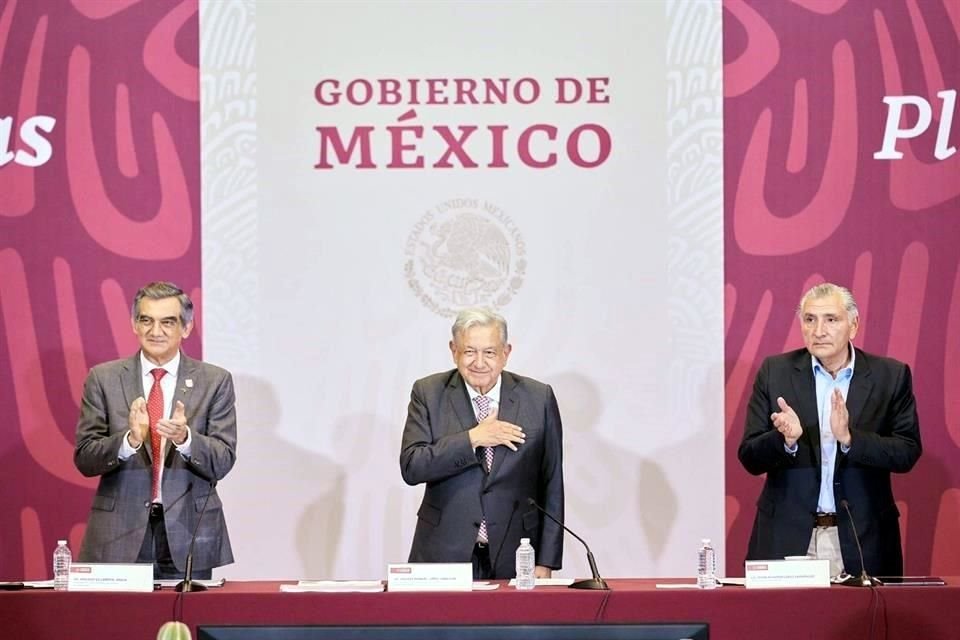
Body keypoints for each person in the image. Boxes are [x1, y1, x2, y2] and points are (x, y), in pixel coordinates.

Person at [738, 283, 921, 578]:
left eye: (831, 320)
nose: (818, 330)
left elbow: (907, 452)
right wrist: (785, 441)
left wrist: (851, 439)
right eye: (810, 319)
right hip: (787, 537)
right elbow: (749, 456)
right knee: (780, 625)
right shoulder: (775, 372)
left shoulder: (891, 375)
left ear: (853, 325)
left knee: (861, 626)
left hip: (864, 539)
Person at [74, 281, 237, 579]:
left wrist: (185, 439)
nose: (155, 331)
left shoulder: (215, 381)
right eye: (146, 320)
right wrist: (129, 441)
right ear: (134, 325)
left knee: (181, 627)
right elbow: (85, 458)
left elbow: (223, 460)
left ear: (186, 328)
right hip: (118, 532)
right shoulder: (103, 378)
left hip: (188, 533)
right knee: (120, 626)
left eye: (167, 322)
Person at [400, 308, 564, 579]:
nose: (479, 362)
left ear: (505, 353)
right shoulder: (428, 393)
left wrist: (546, 561)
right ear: (454, 350)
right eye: (469, 351)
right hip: (443, 553)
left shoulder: (538, 398)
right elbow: (412, 466)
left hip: (516, 554)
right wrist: (473, 438)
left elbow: (552, 483)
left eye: (489, 352)